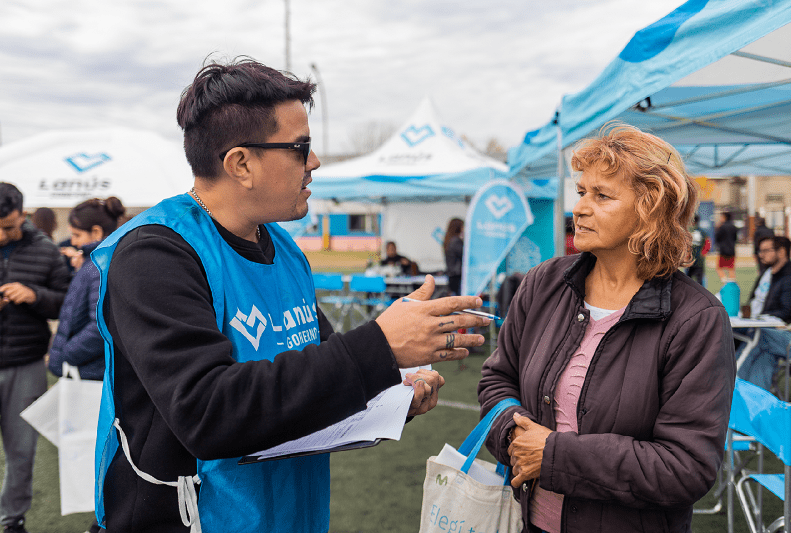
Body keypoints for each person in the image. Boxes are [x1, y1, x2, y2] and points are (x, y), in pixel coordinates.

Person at [91, 58, 489, 533]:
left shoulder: (282, 247)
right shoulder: (155, 254)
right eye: (300, 148)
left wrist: (390, 387)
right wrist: (378, 347)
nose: (315, 162)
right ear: (241, 164)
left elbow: (315, 363)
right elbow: (206, 411)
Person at [477, 124, 735, 533]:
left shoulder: (697, 319)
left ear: (650, 210)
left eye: (602, 196)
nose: (579, 208)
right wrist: (514, 433)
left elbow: (687, 467)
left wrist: (554, 455)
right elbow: (496, 379)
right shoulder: (543, 283)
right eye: (581, 192)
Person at [0, 183, 71, 533]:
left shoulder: (44, 248)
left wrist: (34, 295)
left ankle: (13, 521)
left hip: (25, 363)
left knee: (21, 451)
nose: (3, 234)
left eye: (9, 226)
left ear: (23, 215)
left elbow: (66, 302)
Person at [49, 197, 127, 380]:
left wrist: (66, 352)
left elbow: (101, 324)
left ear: (96, 232)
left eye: (77, 235)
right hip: (89, 369)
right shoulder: (95, 262)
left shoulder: (101, 266)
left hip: (90, 371)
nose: (73, 242)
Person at [736, 236, 791, 391]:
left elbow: (785, 313)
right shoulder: (767, 274)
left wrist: (758, 320)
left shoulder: (790, 278)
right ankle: (753, 406)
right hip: (778, 336)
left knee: (760, 334)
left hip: (790, 340)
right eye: (760, 250)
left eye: (766, 250)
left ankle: (731, 384)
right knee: (764, 361)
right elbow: (752, 301)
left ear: (782, 252)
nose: (761, 254)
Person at [685, 214, 710, 286]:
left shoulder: (688, 231)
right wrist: (703, 253)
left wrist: (685, 256)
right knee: (699, 279)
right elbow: (708, 244)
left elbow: (685, 245)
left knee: (687, 279)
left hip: (689, 258)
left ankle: (687, 294)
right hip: (699, 259)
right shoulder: (702, 232)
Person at [714, 211, 738, 281]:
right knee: (731, 269)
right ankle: (732, 283)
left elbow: (717, 238)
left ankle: (725, 281)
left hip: (723, 251)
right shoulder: (734, 227)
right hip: (732, 250)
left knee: (719, 268)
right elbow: (735, 239)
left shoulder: (722, 227)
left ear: (724, 217)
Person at [443, 217, 464, 295]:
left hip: (452, 275)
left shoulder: (448, 240)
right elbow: (464, 254)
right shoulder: (456, 241)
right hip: (457, 275)